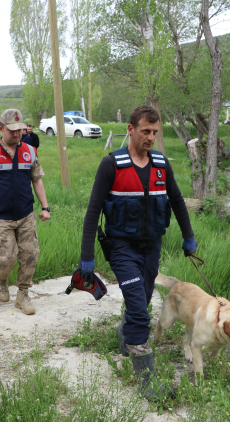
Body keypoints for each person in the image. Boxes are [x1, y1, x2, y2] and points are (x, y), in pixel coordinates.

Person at [80, 105, 196, 401]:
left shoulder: (161, 164)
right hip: (121, 249)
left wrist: (188, 237)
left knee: (141, 301)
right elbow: (93, 211)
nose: (151, 137)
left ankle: (124, 334)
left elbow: (178, 201)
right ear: (130, 129)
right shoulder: (112, 165)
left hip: (151, 249)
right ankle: (148, 383)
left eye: (155, 132)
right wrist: (87, 257)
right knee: (140, 311)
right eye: (146, 131)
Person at [0, 109, 51, 315]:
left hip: (26, 214)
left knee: (30, 255)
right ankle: (2, 280)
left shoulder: (30, 151)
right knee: (5, 259)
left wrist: (45, 207)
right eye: (12, 131)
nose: (17, 134)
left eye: (20, 130)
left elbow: (37, 180)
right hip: (0, 216)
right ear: (1, 129)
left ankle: (23, 294)